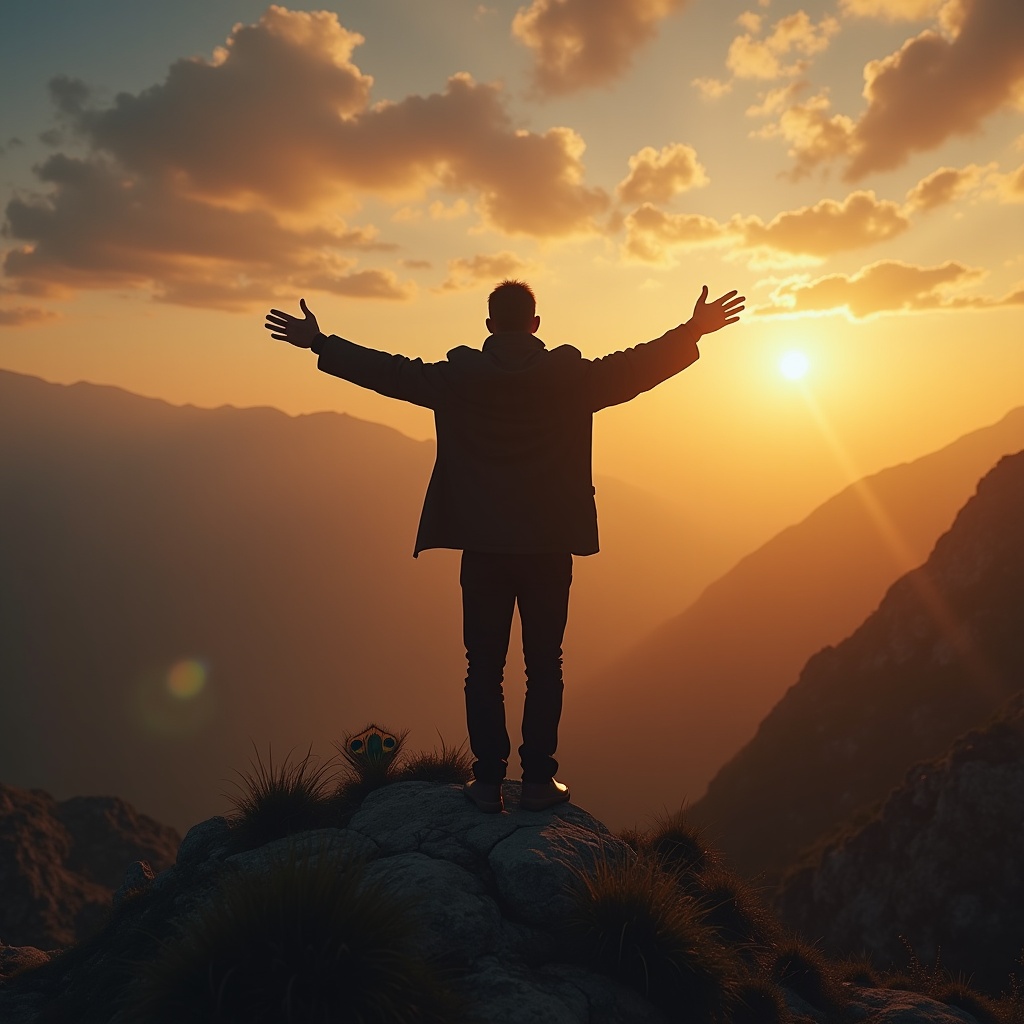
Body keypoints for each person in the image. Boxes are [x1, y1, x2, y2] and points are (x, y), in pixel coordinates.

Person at [264, 280, 744, 813]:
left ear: (490, 325)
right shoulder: (570, 377)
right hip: (549, 546)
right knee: (545, 665)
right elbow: (634, 368)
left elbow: (390, 372)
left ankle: (488, 781)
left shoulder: (459, 378)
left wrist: (321, 342)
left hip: (485, 547)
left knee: (483, 666)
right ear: (535, 325)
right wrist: (693, 331)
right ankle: (539, 782)